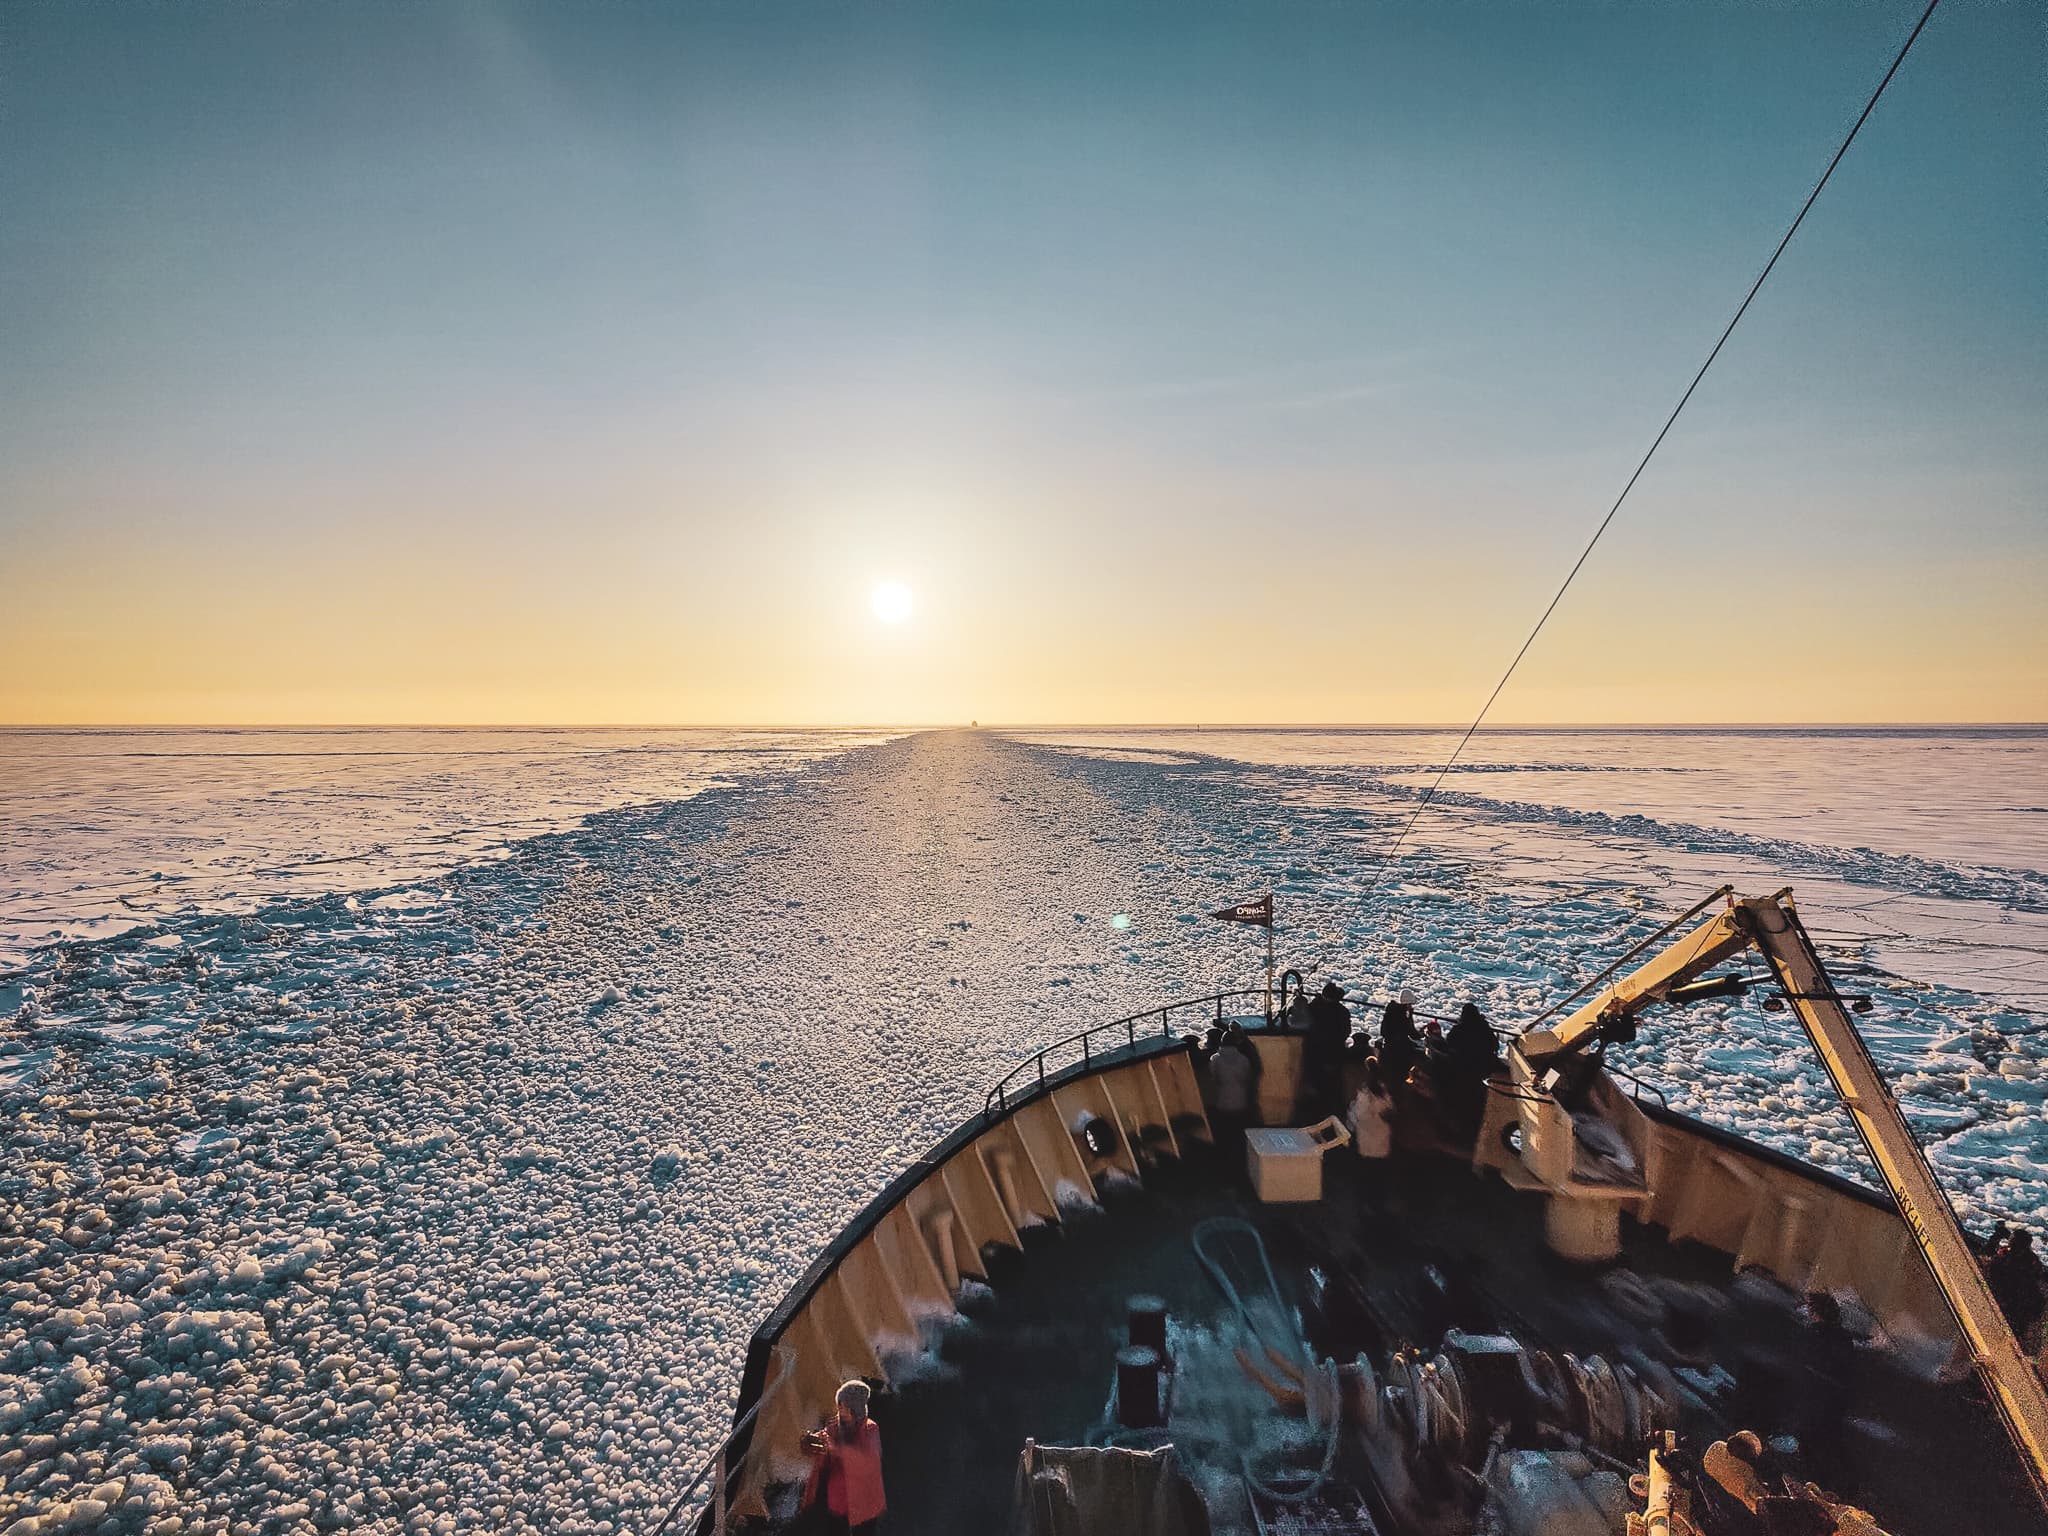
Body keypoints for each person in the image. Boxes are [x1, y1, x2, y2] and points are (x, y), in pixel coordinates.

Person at [802, 1380, 886, 1535]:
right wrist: (808, 1441)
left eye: (842, 1405)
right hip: (836, 1503)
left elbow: (867, 1459)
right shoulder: (835, 1425)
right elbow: (822, 1440)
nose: (839, 1408)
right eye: (839, 1404)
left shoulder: (870, 1429)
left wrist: (834, 1448)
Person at [1985, 1227, 2047, 1347]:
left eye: (2012, 1241)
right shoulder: (2031, 1261)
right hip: (2017, 1301)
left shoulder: (2006, 1259)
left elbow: (1994, 1273)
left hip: (2012, 1302)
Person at [1207, 1023, 1261, 1148]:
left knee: (1224, 1130)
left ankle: (1224, 1149)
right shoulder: (1243, 1059)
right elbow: (1247, 1077)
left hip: (1222, 1101)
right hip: (1241, 1101)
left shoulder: (1215, 1059)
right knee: (1238, 1130)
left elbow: (1213, 1078)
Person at [1303, 982, 1351, 1119]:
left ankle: (1314, 1119)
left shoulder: (1314, 1008)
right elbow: (1345, 1032)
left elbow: (1305, 1015)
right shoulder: (1342, 1012)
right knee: (1332, 1094)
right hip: (1333, 1058)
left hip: (1313, 1057)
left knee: (1315, 1091)